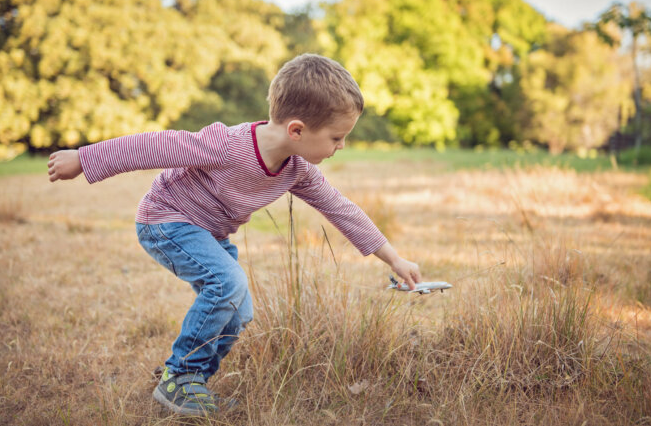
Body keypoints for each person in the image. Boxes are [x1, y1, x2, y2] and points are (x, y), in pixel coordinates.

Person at [47, 53, 422, 416]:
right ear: (296, 130)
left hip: (209, 234)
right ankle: (180, 376)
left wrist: (393, 258)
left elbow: (340, 208)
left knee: (239, 310)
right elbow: (151, 146)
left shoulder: (298, 169)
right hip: (166, 219)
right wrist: (84, 159)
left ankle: (191, 387)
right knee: (227, 283)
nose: (341, 147)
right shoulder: (227, 145)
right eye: (337, 138)